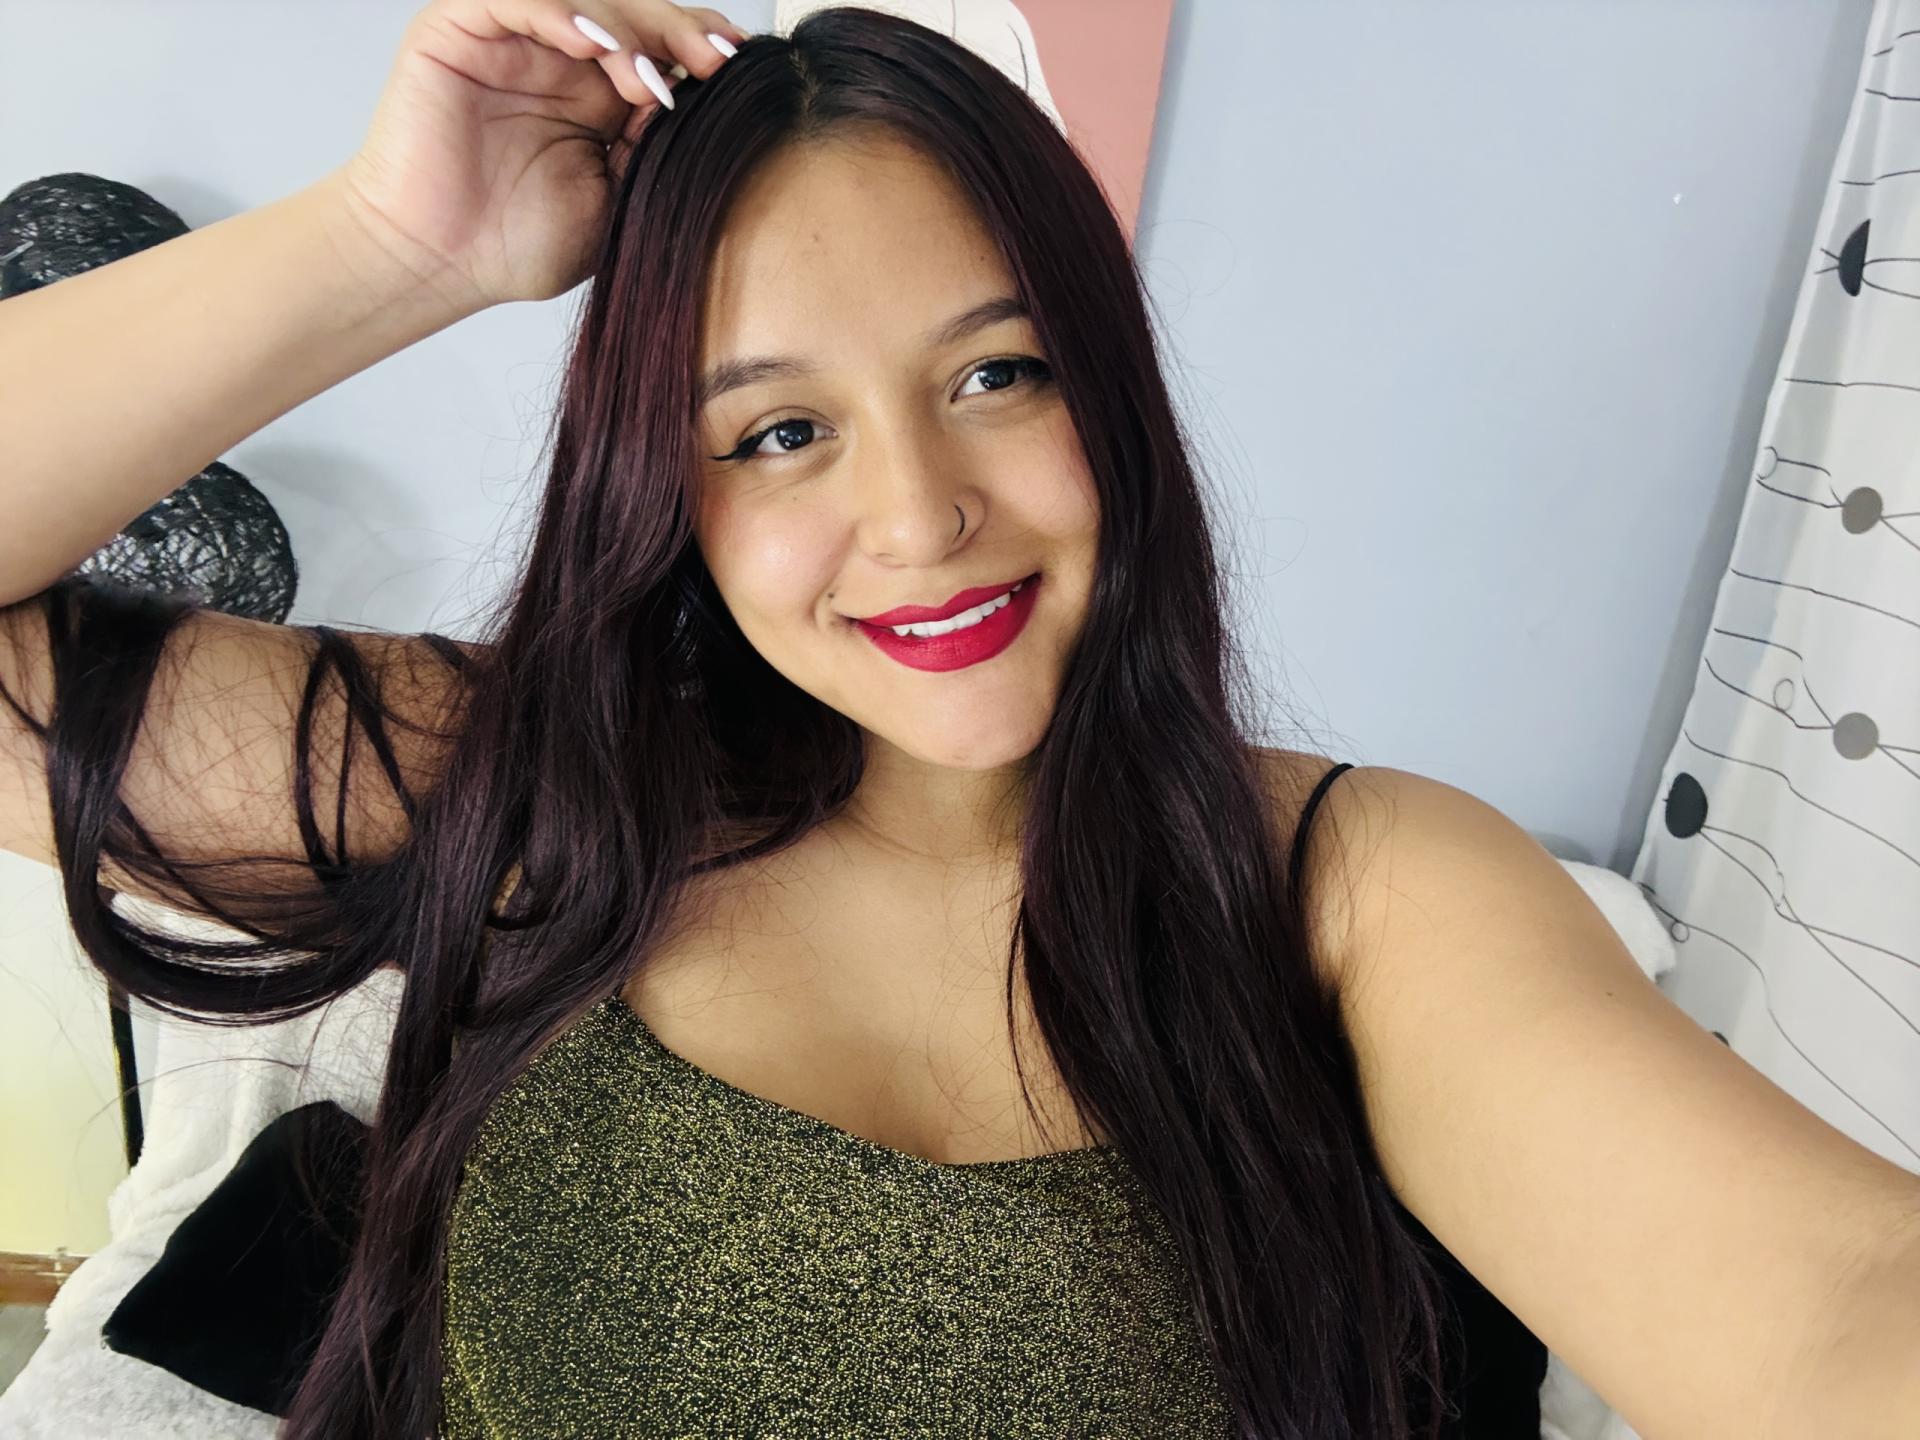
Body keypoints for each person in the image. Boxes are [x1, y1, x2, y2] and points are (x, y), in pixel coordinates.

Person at [3, 2, 1916, 1437]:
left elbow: (1839, 1310)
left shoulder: (1364, 890)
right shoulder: (530, 783)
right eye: (780, 430)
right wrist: (391, 244)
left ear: (1113, 393)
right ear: (671, 493)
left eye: (999, 374)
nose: (920, 518)